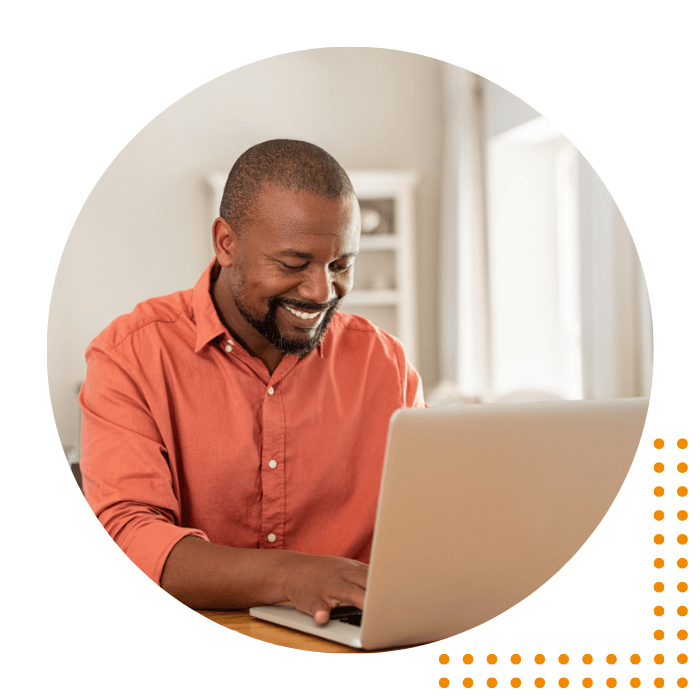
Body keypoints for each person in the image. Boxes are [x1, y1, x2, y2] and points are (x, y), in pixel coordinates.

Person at [80, 139, 425, 624]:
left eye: (341, 265)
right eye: (293, 264)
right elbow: (127, 537)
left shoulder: (385, 364)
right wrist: (290, 576)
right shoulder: (130, 355)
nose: (321, 291)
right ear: (226, 243)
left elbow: (424, 528)